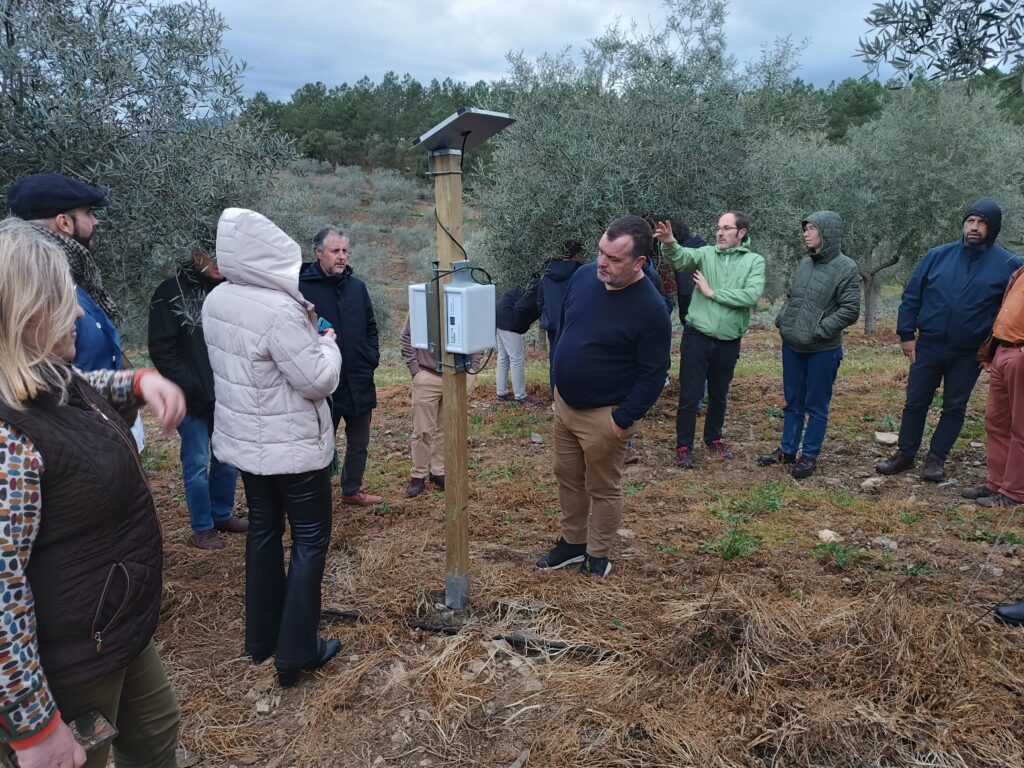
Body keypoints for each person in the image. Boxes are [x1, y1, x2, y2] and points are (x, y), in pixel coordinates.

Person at [0, 217, 186, 768]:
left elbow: (80, 390)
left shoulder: (47, 378)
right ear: (29, 315)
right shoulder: (8, 440)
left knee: (156, 732)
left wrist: (135, 383)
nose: (80, 313)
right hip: (68, 659)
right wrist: (34, 727)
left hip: (111, 624)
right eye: (65, 301)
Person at [202, 208, 343, 688]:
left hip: (247, 448)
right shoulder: (280, 311)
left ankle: (261, 639)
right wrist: (326, 341)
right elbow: (318, 380)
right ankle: (297, 651)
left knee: (264, 532)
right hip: (294, 451)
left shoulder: (217, 299)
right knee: (309, 542)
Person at [536, 216, 671, 578]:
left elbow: (653, 373)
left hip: (604, 417)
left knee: (603, 488)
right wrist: (557, 390)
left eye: (613, 259)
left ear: (639, 262)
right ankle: (572, 543)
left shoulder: (651, 308)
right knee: (566, 476)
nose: (602, 263)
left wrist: (621, 419)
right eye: (600, 252)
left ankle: (597, 555)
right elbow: (567, 327)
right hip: (565, 406)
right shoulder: (583, 277)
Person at [876, 199, 1023, 481]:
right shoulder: (937, 256)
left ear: (993, 228)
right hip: (928, 345)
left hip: (969, 353)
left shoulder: (1009, 265)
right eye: (971, 221)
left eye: (982, 223)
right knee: (915, 402)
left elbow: (1012, 311)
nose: (974, 228)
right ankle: (905, 454)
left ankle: (936, 460)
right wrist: (906, 334)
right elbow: (911, 296)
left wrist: (994, 352)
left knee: (955, 406)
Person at [6, 172, 147, 450]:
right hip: (81, 442)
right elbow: (46, 380)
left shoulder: (75, 274)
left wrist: (133, 385)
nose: (95, 222)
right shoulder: (36, 285)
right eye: (89, 213)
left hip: (103, 434)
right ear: (64, 222)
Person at [148, 246, 246, 549]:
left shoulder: (229, 292)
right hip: (190, 399)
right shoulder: (170, 292)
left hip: (226, 395)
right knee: (197, 461)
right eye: (210, 255)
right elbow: (162, 349)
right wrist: (192, 386)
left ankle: (221, 515)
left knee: (227, 459)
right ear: (195, 255)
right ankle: (203, 527)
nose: (218, 262)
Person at [655, 211, 766, 469]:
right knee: (690, 395)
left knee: (719, 394)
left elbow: (750, 296)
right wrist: (670, 243)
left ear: (741, 233)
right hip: (697, 336)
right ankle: (684, 447)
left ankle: (712, 439)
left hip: (729, 340)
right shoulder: (705, 254)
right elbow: (681, 260)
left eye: (727, 228)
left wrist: (711, 292)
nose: (720, 232)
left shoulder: (754, 261)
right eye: (718, 227)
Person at [758, 212, 860, 479]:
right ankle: (788, 449)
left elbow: (850, 310)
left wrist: (819, 331)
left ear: (827, 233)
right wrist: (783, 320)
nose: (806, 233)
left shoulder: (846, 267)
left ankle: (809, 455)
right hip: (793, 346)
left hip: (822, 350)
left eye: (811, 228)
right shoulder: (805, 263)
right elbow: (793, 296)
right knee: (793, 402)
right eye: (805, 228)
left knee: (816, 405)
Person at [298, 225, 383, 506]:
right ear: (318, 253)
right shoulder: (300, 288)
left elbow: (371, 326)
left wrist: (371, 358)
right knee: (321, 444)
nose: (342, 256)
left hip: (359, 379)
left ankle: (351, 489)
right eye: (335, 251)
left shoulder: (357, 287)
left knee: (359, 442)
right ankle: (315, 497)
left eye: (345, 250)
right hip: (323, 383)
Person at [400, 317, 481, 497]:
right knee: (422, 430)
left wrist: (473, 371)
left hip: (459, 374)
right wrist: (415, 371)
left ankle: (439, 471)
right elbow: (407, 336)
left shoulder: (464, 295)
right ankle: (418, 475)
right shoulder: (422, 298)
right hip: (427, 374)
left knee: (448, 426)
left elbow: (477, 334)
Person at [968, 262, 1024, 509]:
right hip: (1003, 350)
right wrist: (992, 352)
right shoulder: (1020, 272)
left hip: (1020, 354)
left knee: (1021, 426)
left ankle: (1014, 491)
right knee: (995, 421)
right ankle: (996, 483)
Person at [537, 240, 583, 395]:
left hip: (552, 322)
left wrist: (546, 314)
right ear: (577, 254)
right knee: (575, 357)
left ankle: (555, 395)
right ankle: (572, 393)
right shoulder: (580, 271)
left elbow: (540, 298)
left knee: (555, 358)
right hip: (572, 321)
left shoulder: (547, 270)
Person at [494, 283, 541, 406]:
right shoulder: (536, 289)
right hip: (508, 318)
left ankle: (501, 393)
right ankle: (521, 397)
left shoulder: (531, 283)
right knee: (517, 358)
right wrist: (520, 327)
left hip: (499, 314)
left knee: (503, 356)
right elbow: (521, 308)